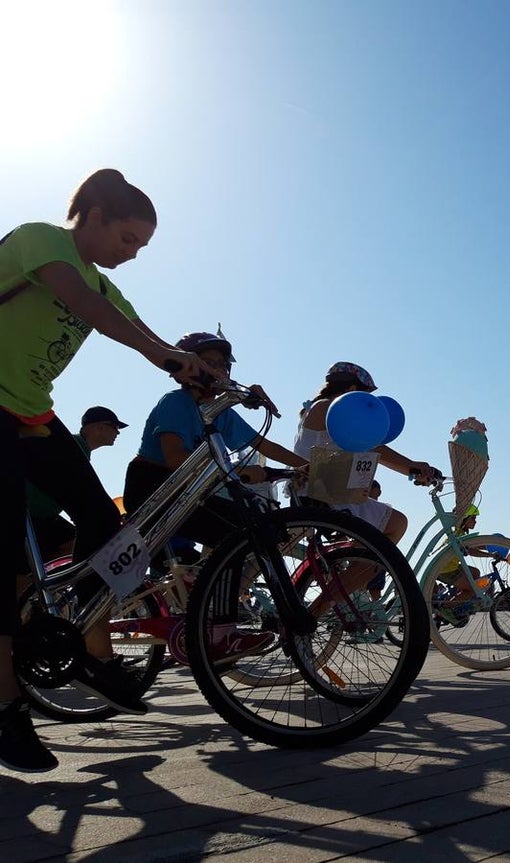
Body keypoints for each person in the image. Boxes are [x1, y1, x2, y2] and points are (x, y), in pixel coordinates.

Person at [0, 169, 219, 772]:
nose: (133, 254)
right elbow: (86, 306)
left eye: (141, 246)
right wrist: (167, 358)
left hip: (30, 412)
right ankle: (6, 710)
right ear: (93, 215)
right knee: (5, 552)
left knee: (107, 524)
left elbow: (144, 332)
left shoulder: (103, 281)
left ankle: (91, 650)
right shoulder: (41, 239)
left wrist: (199, 369)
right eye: (128, 239)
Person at [122, 331, 305, 663]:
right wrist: (238, 473)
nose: (219, 370)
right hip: (153, 483)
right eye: (209, 362)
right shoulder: (176, 402)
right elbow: (175, 458)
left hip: (186, 486)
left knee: (248, 526)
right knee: (234, 534)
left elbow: (263, 445)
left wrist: (306, 467)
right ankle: (221, 634)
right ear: (187, 368)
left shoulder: (219, 411)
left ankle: (204, 598)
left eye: (223, 365)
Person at [295, 362, 438, 545]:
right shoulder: (327, 408)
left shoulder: (317, 408)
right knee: (397, 524)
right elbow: (371, 446)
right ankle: (355, 563)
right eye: (365, 397)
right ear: (352, 390)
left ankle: (349, 561)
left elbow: (369, 448)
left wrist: (411, 469)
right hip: (322, 493)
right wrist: (412, 466)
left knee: (372, 537)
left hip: (318, 489)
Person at [26, 406, 129, 559]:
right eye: (115, 427)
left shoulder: (76, 447)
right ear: (99, 427)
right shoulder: (74, 448)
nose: (118, 433)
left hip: (38, 514)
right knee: (83, 543)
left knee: (72, 544)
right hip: (33, 514)